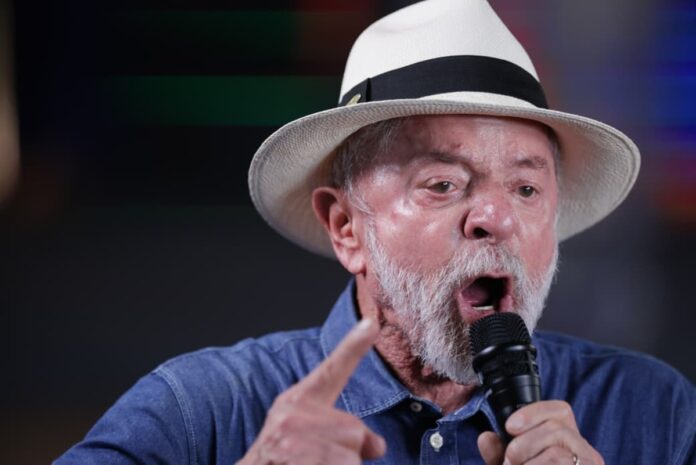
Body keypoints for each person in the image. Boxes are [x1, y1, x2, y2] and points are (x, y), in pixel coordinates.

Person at [55, 1, 695, 464]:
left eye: (526, 189)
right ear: (346, 228)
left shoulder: (652, 413)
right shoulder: (205, 411)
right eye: (443, 184)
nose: (496, 218)